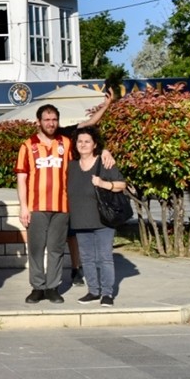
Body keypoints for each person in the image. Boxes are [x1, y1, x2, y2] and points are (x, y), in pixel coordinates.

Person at [15, 97, 112, 304]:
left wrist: (104, 150)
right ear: (38, 121)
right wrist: (23, 207)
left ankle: (52, 287)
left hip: (62, 206)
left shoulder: (67, 142)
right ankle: (37, 287)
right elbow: (21, 178)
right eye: (47, 119)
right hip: (36, 206)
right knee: (36, 249)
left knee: (57, 249)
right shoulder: (27, 146)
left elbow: (88, 139)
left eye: (54, 119)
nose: (51, 123)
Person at [68, 127, 126, 307]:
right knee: (86, 258)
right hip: (80, 219)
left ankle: (107, 293)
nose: (83, 144)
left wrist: (103, 183)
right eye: (80, 141)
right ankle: (93, 291)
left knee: (105, 257)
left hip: (103, 220)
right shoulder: (71, 166)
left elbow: (122, 185)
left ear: (95, 145)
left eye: (87, 141)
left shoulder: (104, 162)